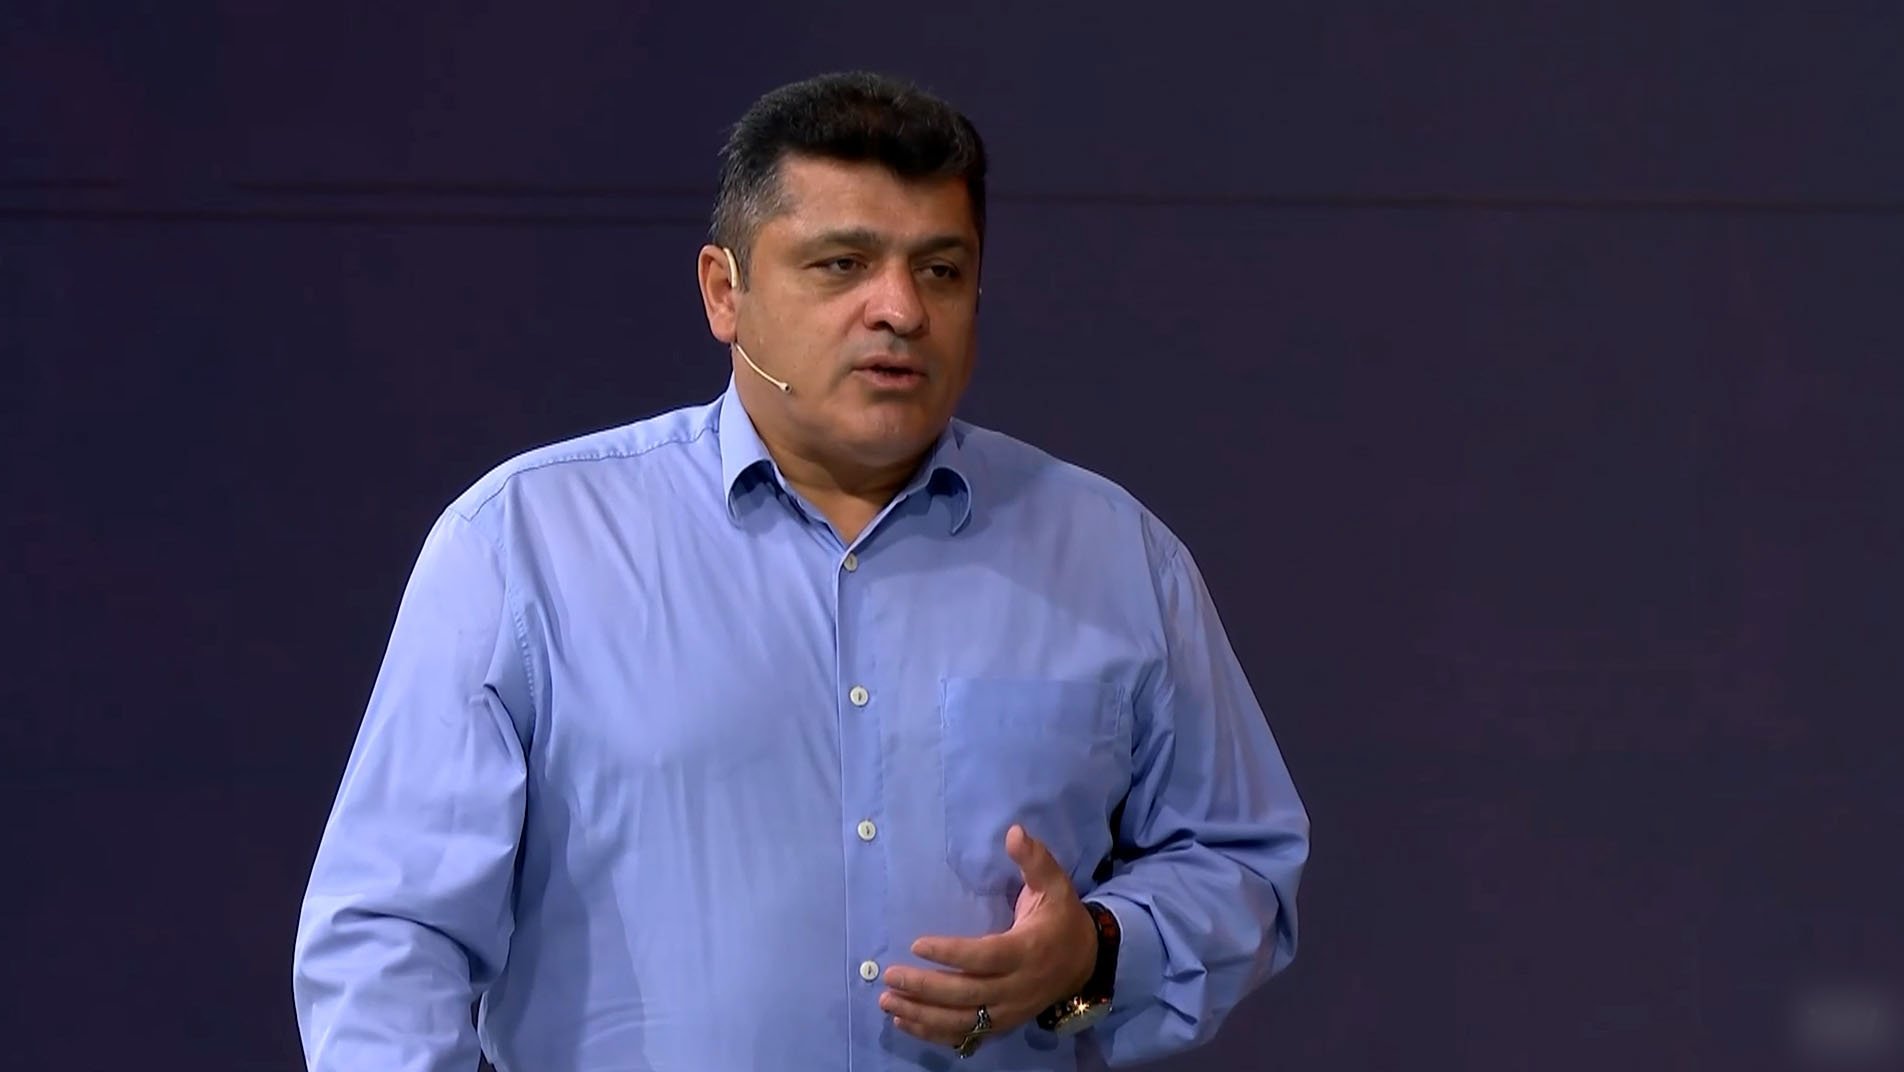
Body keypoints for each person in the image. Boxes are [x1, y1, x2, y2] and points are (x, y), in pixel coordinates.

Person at [292, 70, 1310, 1072]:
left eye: (940, 270)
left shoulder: (1114, 557)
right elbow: (390, 937)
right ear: (723, 292)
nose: (899, 309)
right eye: (841, 264)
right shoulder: (527, 546)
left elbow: (1240, 865)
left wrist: (1095, 950)